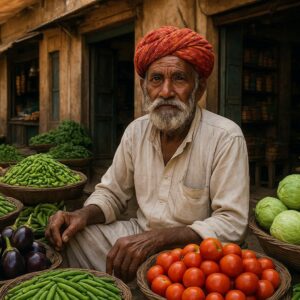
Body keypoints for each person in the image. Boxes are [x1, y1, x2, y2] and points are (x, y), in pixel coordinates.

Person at [46, 26, 249, 282]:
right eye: (156, 79)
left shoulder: (225, 136)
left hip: (197, 253)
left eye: (179, 78)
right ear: (144, 86)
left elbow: (232, 222)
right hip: (140, 233)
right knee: (73, 238)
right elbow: (111, 192)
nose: (166, 92)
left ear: (199, 89)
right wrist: (80, 215)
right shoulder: (136, 131)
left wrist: (158, 239)